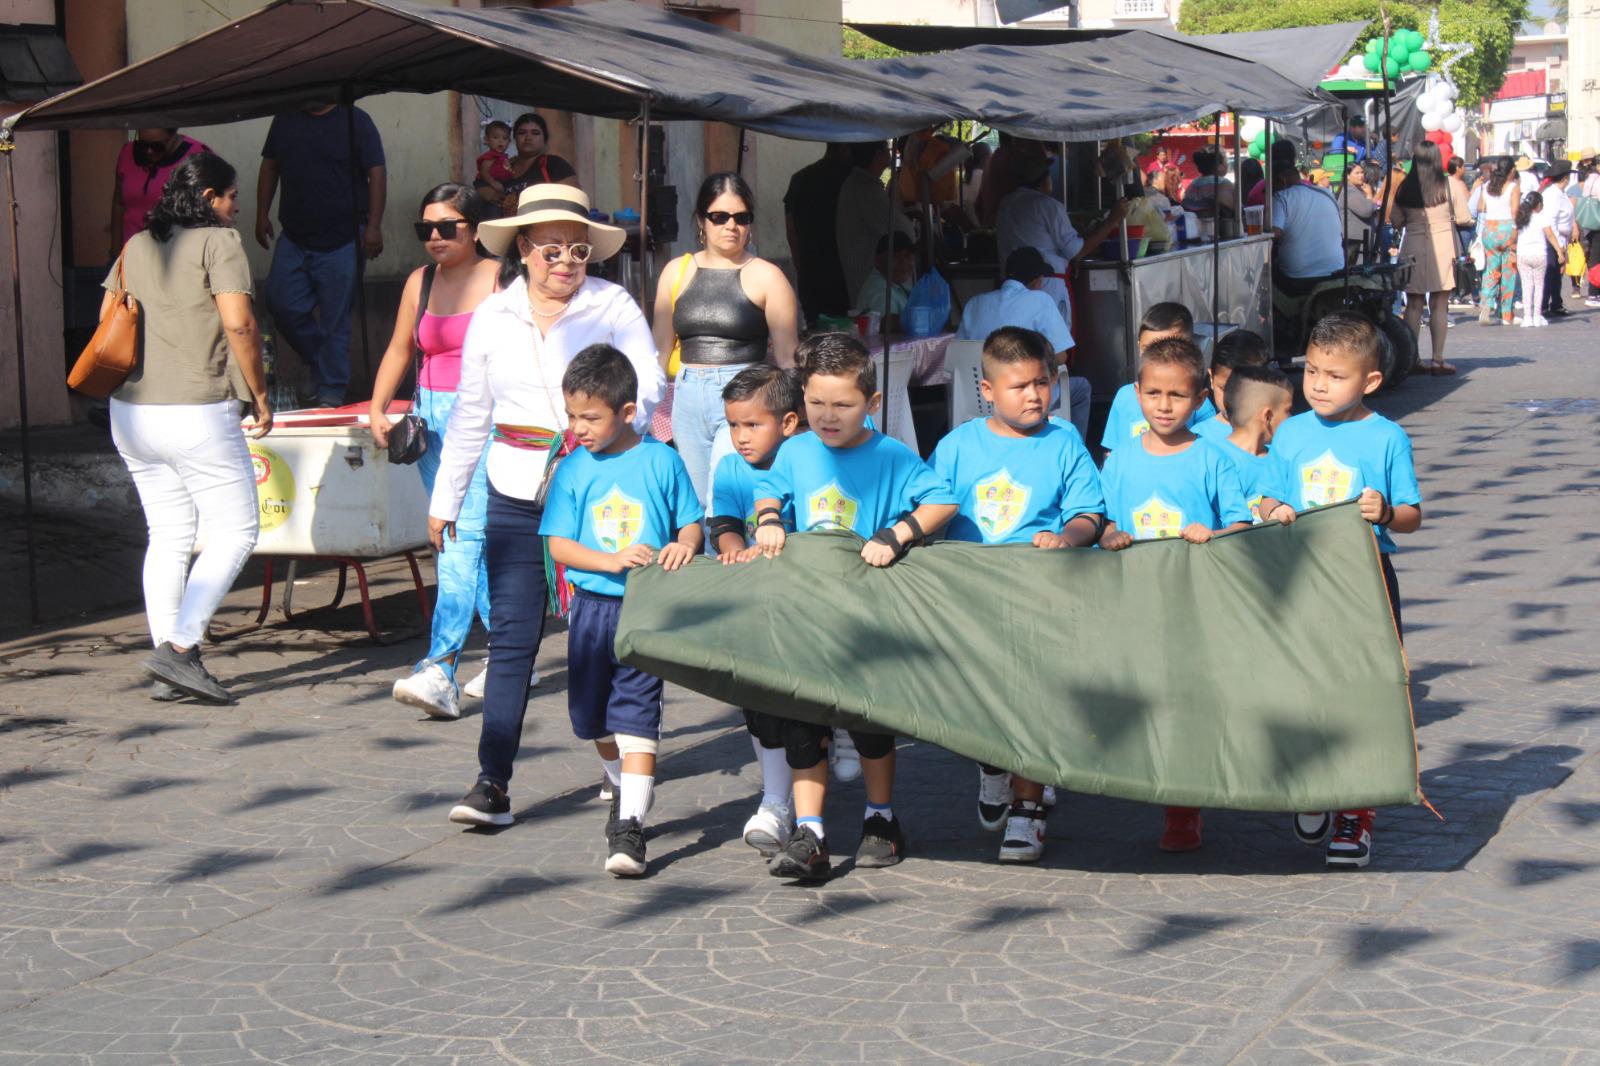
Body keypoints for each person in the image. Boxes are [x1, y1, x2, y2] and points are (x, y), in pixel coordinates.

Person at [430, 183, 664, 829]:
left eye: (579, 250)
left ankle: (622, 768)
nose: (566, 262)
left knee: (602, 640)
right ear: (524, 250)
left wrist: (601, 436)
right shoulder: (493, 316)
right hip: (514, 490)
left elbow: (646, 384)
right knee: (511, 639)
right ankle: (492, 783)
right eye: (552, 249)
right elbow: (472, 413)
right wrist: (446, 497)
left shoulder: (612, 305)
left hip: (597, 493)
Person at [752, 333, 957, 881]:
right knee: (802, 723)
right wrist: (770, 518)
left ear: (873, 402)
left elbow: (943, 499)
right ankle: (812, 832)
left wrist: (898, 534)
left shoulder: (891, 454)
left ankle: (881, 818)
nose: (827, 415)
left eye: (843, 404)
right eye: (816, 403)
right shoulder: (795, 450)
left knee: (869, 723)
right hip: (805, 613)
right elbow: (769, 490)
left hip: (866, 613)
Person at [929, 326, 1105, 864]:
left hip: (1039, 597)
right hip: (974, 600)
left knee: (1035, 704)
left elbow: (1088, 513)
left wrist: (1067, 537)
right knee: (981, 702)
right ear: (986, 390)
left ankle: (1028, 812)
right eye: (1019, 386)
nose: (1034, 395)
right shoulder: (956, 447)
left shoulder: (1065, 443)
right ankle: (991, 765)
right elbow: (930, 510)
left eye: (1042, 383)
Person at [108, 152, 272, 705]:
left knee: (170, 535)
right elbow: (239, 322)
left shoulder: (136, 243)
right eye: (231, 196)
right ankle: (179, 649)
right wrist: (261, 393)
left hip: (130, 410)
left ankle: (170, 658)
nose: (237, 206)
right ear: (209, 199)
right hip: (196, 407)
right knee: (236, 531)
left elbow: (112, 312)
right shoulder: (218, 242)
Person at [1264, 311, 1422, 869]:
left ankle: (1357, 812)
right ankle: (1315, 785)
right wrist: (1274, 507)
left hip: (1366, 581)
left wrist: (1387, 511)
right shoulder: (1290, 432)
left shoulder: (1387, 437)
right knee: (1304, 684)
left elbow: (1412, 515)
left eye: (1335, 375)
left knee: (1365, 691)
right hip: (1301, 581)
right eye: (1312, 371)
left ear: (1370, 382)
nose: (1319, 384)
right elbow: (1265, 495)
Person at [541, 345, 703, 877]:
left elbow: (690, 522)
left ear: (628, 412)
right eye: (571, 416)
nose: (579, 428)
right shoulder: (570, 469)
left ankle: (630, 825)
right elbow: (560, 546)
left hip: (645, 610)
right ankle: (618, 783)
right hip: (590, 609)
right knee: (591, 719)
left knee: (637, 712)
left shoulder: (662, 459)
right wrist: (609, 560)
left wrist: (684, 545)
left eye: (591, 416)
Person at [1095, 337, 1252, 853]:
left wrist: (1214, 536)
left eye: (1177, 396)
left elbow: (1240, 526)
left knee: (1189, 704)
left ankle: (1183, 808)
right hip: (1136, 605)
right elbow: (1107, 520)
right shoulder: (1118, 461)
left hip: (1196, 606)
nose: (1164, 406)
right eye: (1154, 393)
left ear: (1201, 398)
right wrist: (1109, 534)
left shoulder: (1213, 457)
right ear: (1137, 393)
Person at [368, 183, 504, 720]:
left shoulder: (501, 279)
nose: (435, 238)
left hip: (485, 419)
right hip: (431, 420)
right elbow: (401, 346)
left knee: (456, 535)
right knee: (462, 536)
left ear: (474, 229)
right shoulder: (420, 282)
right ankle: (508, 651)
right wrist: (380, 407)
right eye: (426, 229)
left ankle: (440, 666)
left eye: (447, 227)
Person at [653, 172, 799, 511]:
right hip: (686, 394)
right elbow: (659, 351)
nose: (730, 226)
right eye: (719, 217)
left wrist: (800, 412)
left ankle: (735, 562)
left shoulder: (767, 275)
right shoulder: (677, 271)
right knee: (693, 501)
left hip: (745, 393)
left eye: (741, 217)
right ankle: (708, 563)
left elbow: (788, 356)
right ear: (702, 220)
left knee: (724, 497)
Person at [706, 365, 804, 857]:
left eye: (753, 425)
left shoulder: (809, 459)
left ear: (788, 423)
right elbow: (723, 521)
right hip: (753, 602)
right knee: (759, 697)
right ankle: (775, 800)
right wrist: (732, 547)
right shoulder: (729, 467)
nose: (741, 437)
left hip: (805, 604)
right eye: (733, 425)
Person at [255, 101, 386, 407]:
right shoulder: (285, 117)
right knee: (280, 301)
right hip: (295, 234)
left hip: (344, 236)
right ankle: (321, 361)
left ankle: (331, 390)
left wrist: (374, 226)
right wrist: (262, 214)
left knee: (335, 320)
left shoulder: (357, 121)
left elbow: (376, 173)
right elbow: (269, 165)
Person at [957, 246, 1090, 441]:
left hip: (977, 396)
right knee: (1082, 388)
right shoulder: (1040, 300)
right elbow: (1062, 356)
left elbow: (958, 353)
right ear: (1037, 280)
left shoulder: (974, 304)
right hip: (1025, 396)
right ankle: (1077, 450)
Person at [996, 153, 1128, 325]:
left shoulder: (1005, 204)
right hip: (1045, 286)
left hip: (1011, 289)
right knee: (1052, 344)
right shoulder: (1048, 205)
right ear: (1044, 180)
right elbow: (1076, 252)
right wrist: (1113, 219)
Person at [1098, 303, 1217, 455]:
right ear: (1139, 346)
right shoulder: (1124, 397)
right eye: (1150, 349)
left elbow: (1209, 452)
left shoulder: (1201, 406)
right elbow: (1113, 451)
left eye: (1171, 349)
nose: (1162, 358)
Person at [1391, 142, 1458, 375]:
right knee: (1440, 304)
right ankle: (1438, 359)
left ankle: (1413, 358)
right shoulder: (1449, 185)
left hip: (1413, 245)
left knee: (1414, 304)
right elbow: (1464, 216)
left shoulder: (1404, 187)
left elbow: (1395, 220)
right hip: (1443, 246)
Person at [835, 141, 915, 309]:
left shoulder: (859, 186)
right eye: (887, 149)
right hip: (872, 282)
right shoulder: (865, 189)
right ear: (878, 154)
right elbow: (905, 233)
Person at [1214, 364, 1296, 524]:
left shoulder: (1280, 457)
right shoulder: (1214, 460)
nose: (1291, 418)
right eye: (1287, 410)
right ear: (1268, 416)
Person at [783, 143, 853, 324]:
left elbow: (790, 230)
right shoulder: (853, 179)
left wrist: (801, 269)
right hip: (845, 278)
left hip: (812, 275)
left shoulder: (800, 178)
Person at [110, 128, 210, 254]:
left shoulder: (197, 156)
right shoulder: (127, 152)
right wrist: (114, 253)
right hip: (132, 255)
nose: (149, 151)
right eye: (142, 145)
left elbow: (209, 212)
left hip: (174, 256)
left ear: (173, 136)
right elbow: (118, 204)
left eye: (157, 146)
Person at [1270, 149, 1344, 296]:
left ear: (1281, 180)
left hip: (1298, 277)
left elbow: (1274, 233)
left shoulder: (1281, 197)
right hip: (1336, 270)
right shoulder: (1326, 194)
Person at [1193, 328, 1270, 442]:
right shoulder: (1197, 437)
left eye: (1243, 390)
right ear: (1211, 378)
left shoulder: (1274, 433)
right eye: (1224, 388)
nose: (1232, 399)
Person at [1468, 158, 1519, 325]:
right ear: (1511, 170)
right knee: (1508, 273)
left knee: (1490, 271)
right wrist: (1515, 232)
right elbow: (1515, 212)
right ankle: (1506, 314)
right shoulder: (1512, 187)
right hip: (1506, 229)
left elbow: (1479, 207)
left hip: (1489, 229)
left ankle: (1486, 305)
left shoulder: (1487, 186)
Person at [497, 112, 579, 214]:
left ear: (545, 139)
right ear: (514, 138)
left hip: (545, 227)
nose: (528, 138)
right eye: (522, 133)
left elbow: (574, 202)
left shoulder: (555, 164)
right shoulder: (503, 168)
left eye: (535, 133)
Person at [1515, 190, 1563, 329]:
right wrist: (1559, 251)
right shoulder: (1542, 217)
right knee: (1539, 286)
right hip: (1539, 254)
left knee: (1526, 286)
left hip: (1523, 254)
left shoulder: (1520, 218)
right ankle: (1536, 316)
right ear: (1539, 205)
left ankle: (1527, 317)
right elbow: (1550, 235)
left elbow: (1513, 236)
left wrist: (1510, 247)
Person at [855, 232, 916, 328]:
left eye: (908, 256)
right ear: (878, 262)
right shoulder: (879, 290)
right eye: (895, 257)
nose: (904, 262)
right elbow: (886, 323)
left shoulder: (895, 282)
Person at [1538, 160, 1575, 318]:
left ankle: (1556, 303)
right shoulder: (1553, 195)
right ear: (1565, 178)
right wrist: (1558, 244)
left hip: (1559, 237)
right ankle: (1544, 304)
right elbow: (1551, 222)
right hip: (1551, 239)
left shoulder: (1560, 193)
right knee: (1550, 272)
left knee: (1556, 274)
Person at [1446, 157, 1477, 305]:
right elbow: (1464, 209)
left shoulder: (1448, 182)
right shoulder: (1456, 184)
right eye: (1463, 166)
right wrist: (1471, 221)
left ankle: (1458, 291)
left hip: (1455, 225)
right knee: (1462, 261)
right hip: (1462, 226)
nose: (1464, 169)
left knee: (1458, 260)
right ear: (1457, 168)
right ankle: (1460, 291)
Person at [1180, 147, 1236, 218]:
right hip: (1217, 227)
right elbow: (1234, 210)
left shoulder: (1193, 184)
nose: (1227, 165)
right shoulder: (1223, 184)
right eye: (1225, 161)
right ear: (1219, 165)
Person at [1342, 162, 1382, 253]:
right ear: (1348, 176)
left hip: (1363, 241)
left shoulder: (1358, 189)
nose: (1361, 175)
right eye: (1357, 173)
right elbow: (1366, 211)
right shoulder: (1349, 192)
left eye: (1362, 172)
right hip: (1355, 242)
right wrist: (1369, 195)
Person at [473, 120, 514, 201]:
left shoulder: (503, 156)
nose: (500, 141)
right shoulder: (491, 155)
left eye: (505, 138)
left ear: (509, 142)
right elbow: (484, 171)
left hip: (499, 183)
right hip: (487, 183)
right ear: (487, 140)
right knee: (493, 206)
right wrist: (493, 183)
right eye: (496, 137)